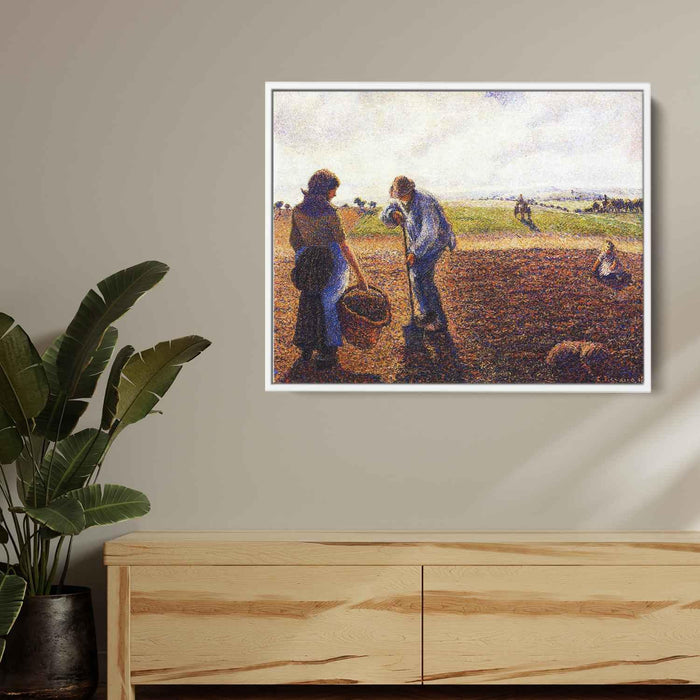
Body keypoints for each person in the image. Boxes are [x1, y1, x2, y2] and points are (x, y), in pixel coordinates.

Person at [289, 169, 368, 368]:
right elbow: (343, 245)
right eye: (334, 190)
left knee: (309, 298)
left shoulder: (297, 210)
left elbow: (294, 240)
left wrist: (304, 259)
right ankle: (328, 351)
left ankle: (307, 346)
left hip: (308, 259)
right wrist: (360, 275)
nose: (335, 194)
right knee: (330, 302)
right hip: (332, 260)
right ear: (326, 190)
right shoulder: (331, 212)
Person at [380, 176, 456, 333]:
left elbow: (429, 232)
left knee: (423, 277)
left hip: (436, 243)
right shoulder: (399, 200)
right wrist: (392, 213)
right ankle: (426, 314)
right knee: (416, 276)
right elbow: (385, 213)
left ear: (410, 191)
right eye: (397, 195)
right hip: (419, 243)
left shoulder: (424, 202)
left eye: (402, 195)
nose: (399, 198)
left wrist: (414, 252)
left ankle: (438, 320)